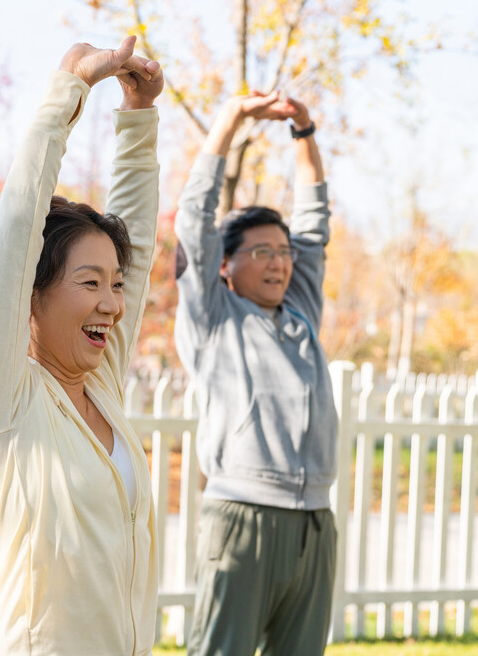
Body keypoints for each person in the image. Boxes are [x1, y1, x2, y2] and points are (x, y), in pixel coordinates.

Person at [0, 37, 163, 655]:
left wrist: (138, 120)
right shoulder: (0, 399)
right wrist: (67, 94)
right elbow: (13, 238)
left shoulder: (100, 384)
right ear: (30, 298)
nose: (112, 304)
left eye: (113, 286)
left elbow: (137, 253)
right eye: (89, 283)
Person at [173, 90, 336, 655]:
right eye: (261, 251)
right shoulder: (212, 316)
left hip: (314, 521)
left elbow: (315, 222)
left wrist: (304, 131)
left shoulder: (301, 312)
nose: (279, 261)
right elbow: (194, 221)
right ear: (225, 264)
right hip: (242, 517)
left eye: (283, 251)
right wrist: (229, 122)